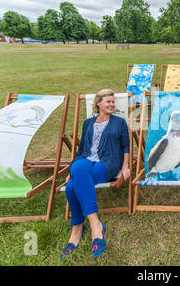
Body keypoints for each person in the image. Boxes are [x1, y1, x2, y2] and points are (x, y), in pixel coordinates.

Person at [61, 89, 130, 260]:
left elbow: (127, 147)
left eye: (113, 102)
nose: (112, 104)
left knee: (71, 187)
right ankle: (95, 224)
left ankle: (78, 228)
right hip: (86, 160)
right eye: (108, 101)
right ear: (98, 103)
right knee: (76, 171)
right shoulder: (87, 123)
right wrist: (72, 169)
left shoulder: (119, 122)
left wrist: (126, 167)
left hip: (108, 162)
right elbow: (82, 148)